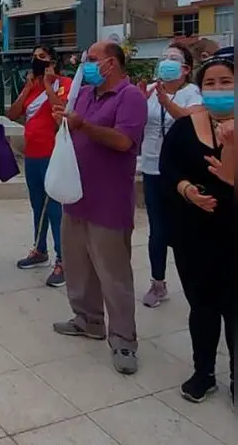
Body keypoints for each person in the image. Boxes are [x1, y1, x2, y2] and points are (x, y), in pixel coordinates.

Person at [51, 40, 147, 375]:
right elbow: (72, 129)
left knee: (114, 274)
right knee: (79, 266)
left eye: (91, 60)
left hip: (109, 202)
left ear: (112, 63)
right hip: (76, 196)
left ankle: (123, 339)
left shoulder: (130, 97)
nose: (84, 65)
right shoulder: (84, 94)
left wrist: (83, 126)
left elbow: (123, 142)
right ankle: (88, 320)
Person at [158, 55, 234, 403]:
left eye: (226, 82)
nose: (218, 89)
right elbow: (168, 169)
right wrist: (188, 191)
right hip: (194, 232)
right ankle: (203, 371)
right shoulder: (186, 126)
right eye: (210, 83)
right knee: (201, 305)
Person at [137, 43, 202, 307]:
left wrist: (167, 102)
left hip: (181, 172)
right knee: (158, 230)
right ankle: (158, 283)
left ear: (185, 69)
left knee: (186, 229)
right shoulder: (152, 91)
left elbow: (191, 121)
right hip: (152, 168)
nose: (166, 62)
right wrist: (140, 101)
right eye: (164, 57)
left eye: (173, 59)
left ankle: (199, 281)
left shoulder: (191, 93)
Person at [8, 45, 72, 287]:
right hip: (32, 155)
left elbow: (61, 110)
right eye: (34, 58)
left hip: (53, 153)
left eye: (42, 58)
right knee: (38, 205)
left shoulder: (64, 82)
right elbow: (13, 113)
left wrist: (48, 84)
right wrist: (26, 89)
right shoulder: (31, 86)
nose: (37, 61)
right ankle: (40, 249)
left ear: (53, 61)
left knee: (54, 207)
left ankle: (63, 260)